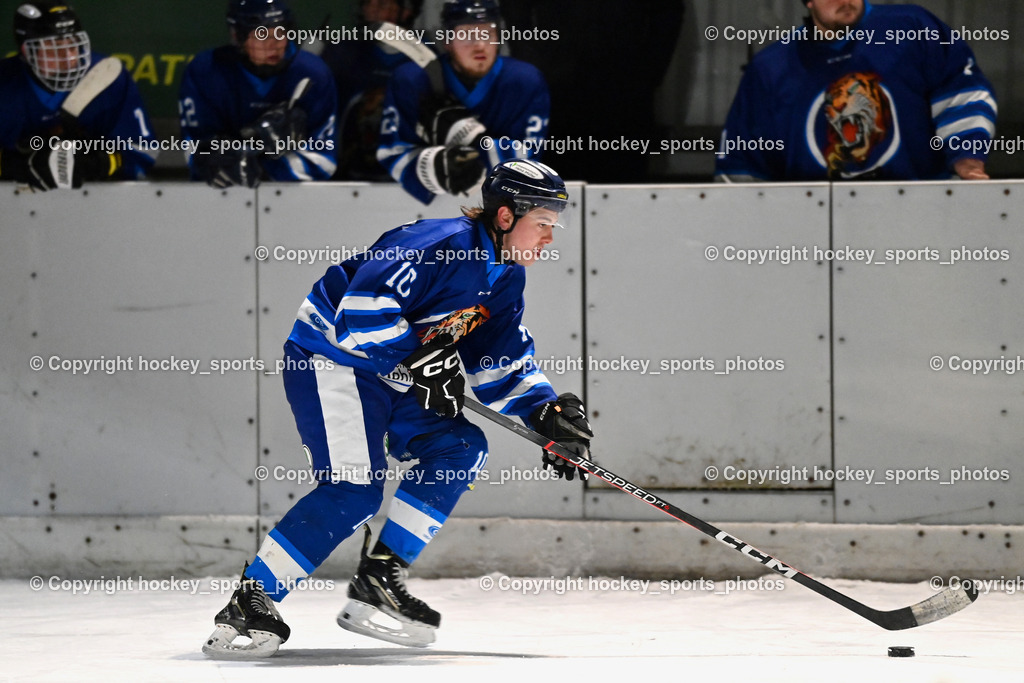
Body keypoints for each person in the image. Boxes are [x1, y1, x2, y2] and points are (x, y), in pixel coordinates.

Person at [202, 159, 592, 658]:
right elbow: (360, 311)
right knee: (354, 489)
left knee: (459, 447)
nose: (549, 238)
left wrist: (545, 413)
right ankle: (251, 598)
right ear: (504, 216)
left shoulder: (505, 278)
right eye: (542, 223)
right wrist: (418, 359)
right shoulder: (435, 244)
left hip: (394, 373)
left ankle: (379, 577)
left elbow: (501, 360)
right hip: (332, 359)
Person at [715, 0, 998, 182]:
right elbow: (742, 161)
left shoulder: (911, 28)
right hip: (814, 229)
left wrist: (968, 159)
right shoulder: (771, 68)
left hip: (920, 212)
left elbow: (961, 90)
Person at [377, 0, 551, 204]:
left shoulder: (525, 82)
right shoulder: (410, 81)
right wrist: (436, 166)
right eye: (466, 35)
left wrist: (470, 142)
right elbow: (391, 152)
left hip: (502, 208)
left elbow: (527, 158)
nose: (479, 45)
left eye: (488, 33)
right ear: (447, 41)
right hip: (412, 210)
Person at [179, 0, 338, 188]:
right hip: (220, 197)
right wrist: (222, 159)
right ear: (237, 36)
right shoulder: (206, 71)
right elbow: (195, 149)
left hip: (292, 198)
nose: (274, 44)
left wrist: (262, 169)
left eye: (280, 32)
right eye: (262, 35)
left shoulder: (313, 74)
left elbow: (324, 160)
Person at [0, 1, 157, 190]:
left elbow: (144, 151)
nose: (68, 59)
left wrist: (97, 162)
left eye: (73, 45)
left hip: (97, 199)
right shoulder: (6, 86)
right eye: (54, 48)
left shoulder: (107, 77)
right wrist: (18, 166)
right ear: (27, 51)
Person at [319, 0, 424, 180]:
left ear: (406, 11)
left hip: (405, 179)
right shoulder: (342, 53)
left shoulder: (427, 60)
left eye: (382, 4)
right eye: (368, 3)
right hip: (345, 179)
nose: (372, 11)